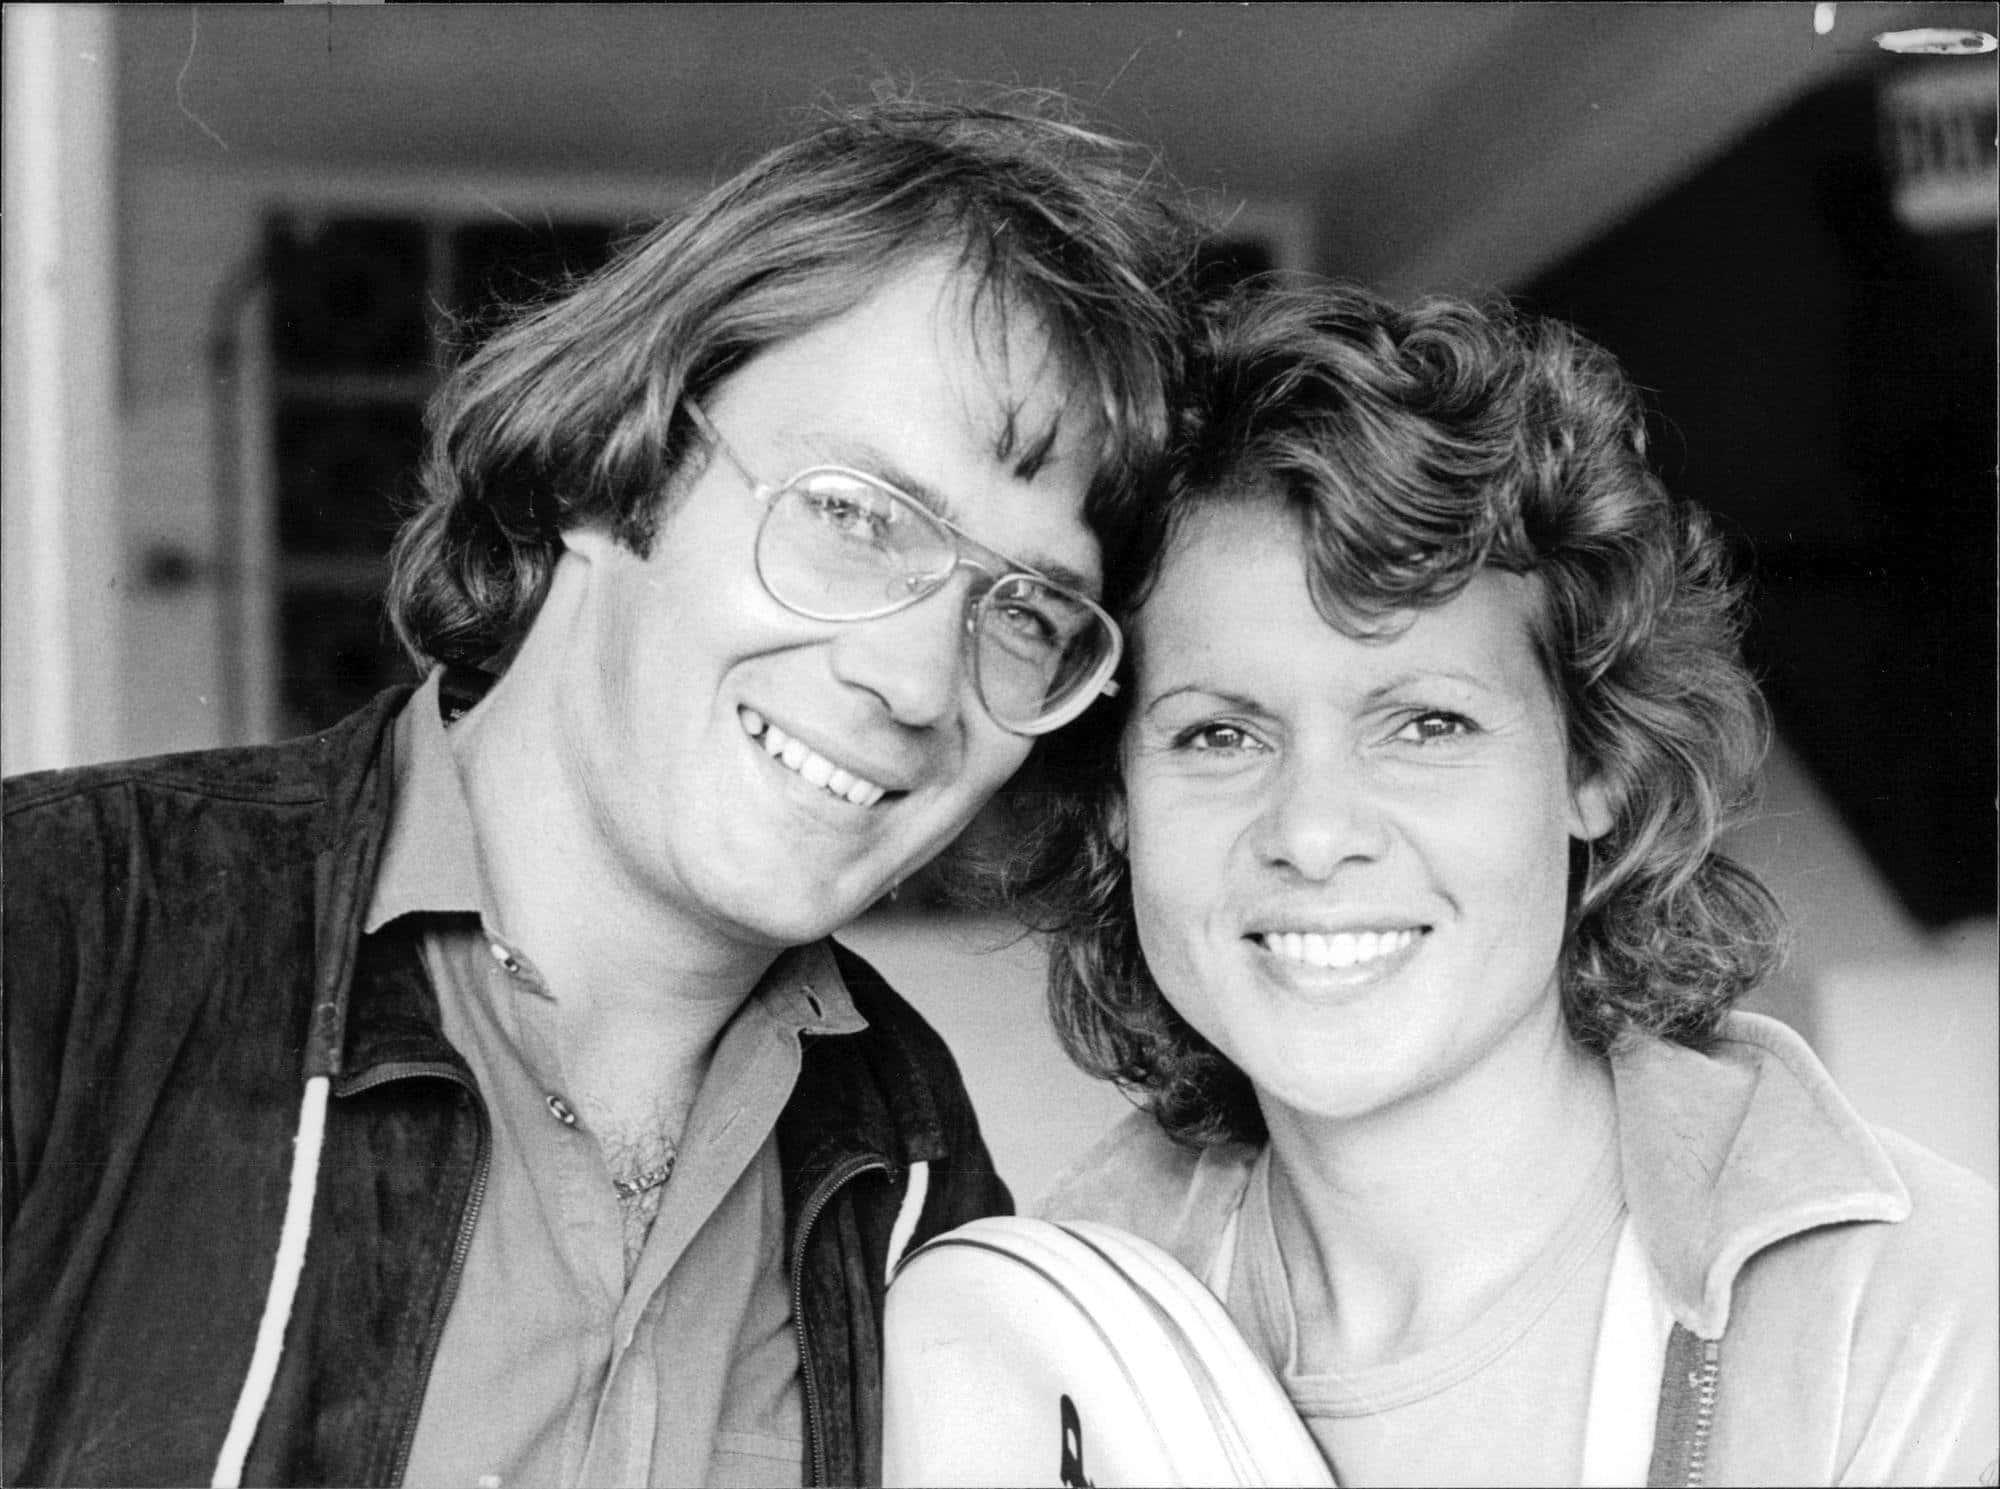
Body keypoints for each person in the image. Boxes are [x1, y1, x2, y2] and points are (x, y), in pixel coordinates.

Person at [3, 96, 1194, 1487]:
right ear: (608, 461)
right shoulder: (56, 936)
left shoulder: (918, 1166)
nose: (920, 680)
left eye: (1026, 609)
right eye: (855, 515)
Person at [1016, 284, 1998, 1485]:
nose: (1312, 834)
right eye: (1218, 734)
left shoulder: (1914, 1321)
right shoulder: (1031, 1343)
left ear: (1591, 765)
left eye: (1424, 723)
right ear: (1118, 798)